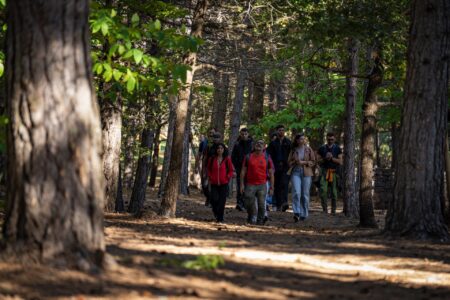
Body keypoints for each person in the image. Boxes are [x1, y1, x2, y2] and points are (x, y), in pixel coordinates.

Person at [240, 139, 275, 225]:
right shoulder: (248, 157)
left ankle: (260, 221)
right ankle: (251, 215)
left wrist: (271, 187)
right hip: (250, 184)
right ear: (253, 146)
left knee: (261, 204)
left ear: (264, 147)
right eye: (257, 143)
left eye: (261, 143)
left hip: (262, 184)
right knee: (248, 202)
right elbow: (243, 171)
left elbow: (271, 173)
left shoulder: (267, 157)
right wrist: (241, 185)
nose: (258, 144)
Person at [288, 133, 316, 222]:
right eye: (301, 139)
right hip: (295, 172)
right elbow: (288, 162)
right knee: (296, 192)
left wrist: (303, 162)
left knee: (305, 194)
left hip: (306, 173)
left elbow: (313, 162)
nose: (302, 140)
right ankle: (296, 212)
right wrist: (294, 162)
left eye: (304, 139)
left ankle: (304, 213)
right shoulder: (293, 150)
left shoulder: (308, 149)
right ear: (297, 140)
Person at [207, 143, 234, 223]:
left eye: (221, 148)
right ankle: (216, 213)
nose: (219, 150)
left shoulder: (227, 159)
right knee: (214, 199)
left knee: (222, 201)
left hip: (224, 183)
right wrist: (210, 176)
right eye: (218, 148)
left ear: (224, 150)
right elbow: (208, 169)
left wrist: (228, 177)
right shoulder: (212, 159)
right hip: (214, 183)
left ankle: (220, 218)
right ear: (216, 150)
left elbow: (231, 170)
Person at [267, 125, 291, 211]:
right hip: (275, 167)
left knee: (284, 184)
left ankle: (284, 203)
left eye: (283, 130)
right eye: (280, 130)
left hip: (285, 167)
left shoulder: (288, 142)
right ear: (277, 131)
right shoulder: (273, 143)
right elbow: (268, 155)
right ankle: (276, 204)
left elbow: (291, 154)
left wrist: (290, 164)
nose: (281, 132)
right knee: (276, 185)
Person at [317, 132, 343, 214]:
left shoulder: (338, 148)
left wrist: (331, 158)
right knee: (323, 190)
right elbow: (317, 160)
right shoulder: (322, 148)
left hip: (334, 172)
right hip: (324, 171)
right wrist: (325, 158)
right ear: (326, 138)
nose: (330, 141)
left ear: (334, 139)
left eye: (332, 139)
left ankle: (333, 210)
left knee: (334, 192)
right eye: (328, 139)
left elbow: (340, 161)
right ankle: (324, 209)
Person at [231, 128, 253, 211]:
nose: (244, 136)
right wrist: (234, 168)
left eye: (245, 134)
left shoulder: (251, 144)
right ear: (240, 134)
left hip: (250, 168)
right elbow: (233, 157)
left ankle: (246, 203)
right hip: (239, 168)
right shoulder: (237, 144)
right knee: (240, 185)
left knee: (248, 186)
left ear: (248, 134)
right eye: (242, 134)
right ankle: (239, 203)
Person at [202, 132, 225, 206]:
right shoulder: (209, 147)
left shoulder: (222, 147)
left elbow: (226, 159)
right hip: (209, 168)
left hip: (219, 170)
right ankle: (208, 197)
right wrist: (204, 169)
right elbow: (205, 158)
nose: (215, 139)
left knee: (215, 187)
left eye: (217, 137)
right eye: (214, 137)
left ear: (220, 138)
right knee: (205, 185)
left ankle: (213, 201)